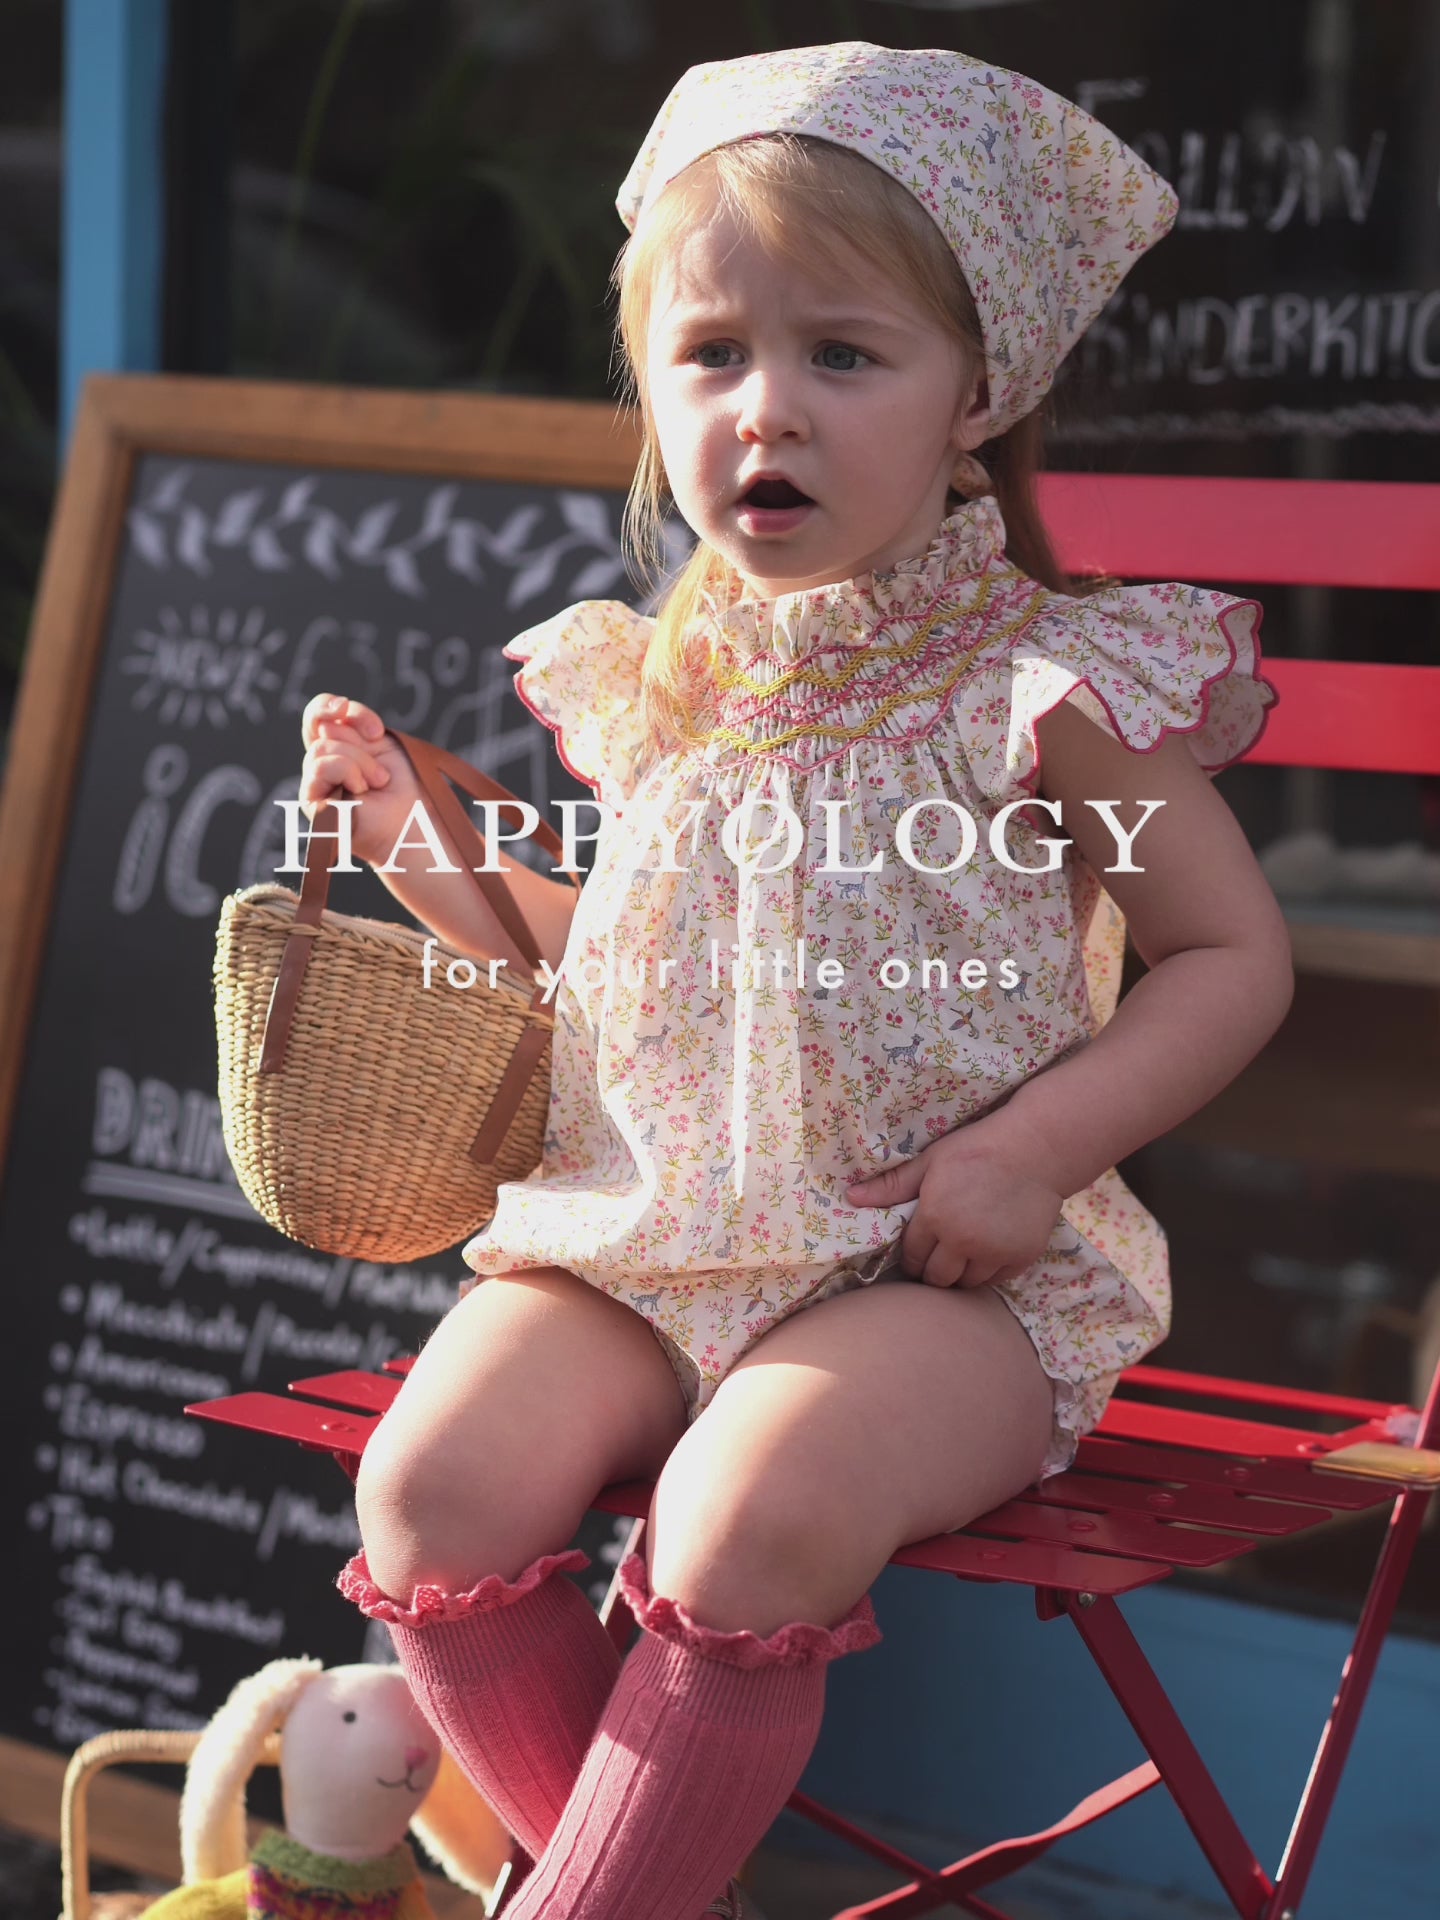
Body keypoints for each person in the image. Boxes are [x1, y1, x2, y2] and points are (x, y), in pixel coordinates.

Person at [298, 44, 1293, 1920]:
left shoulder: (1040, 691)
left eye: (843, 354)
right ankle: (650, 1884)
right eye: (711, 355)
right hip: (648, 1245)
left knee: (742, 1518)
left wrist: (1031, 1152)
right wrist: (425, 854)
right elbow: (626, 970)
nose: (769, 409)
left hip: (934, 1279)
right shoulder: (664, 687)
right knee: (431, 1489)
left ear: (979, 391)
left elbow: (1229, 956)